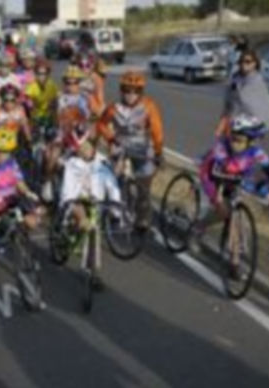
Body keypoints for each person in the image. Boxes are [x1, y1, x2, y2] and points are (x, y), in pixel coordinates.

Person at [194, 114, 269, 268]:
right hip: (212, 176)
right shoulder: (222, 146)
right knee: (223, 210)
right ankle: (198, 228)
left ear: (251, 142)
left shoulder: (256, 151)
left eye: (240, 140)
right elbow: (217, 172)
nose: (234, 142)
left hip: (234, 177)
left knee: (237, 208)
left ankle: (234, 253)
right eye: (233, 137)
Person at [96, 71, 164, 233]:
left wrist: (159, 152)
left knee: (143, 186)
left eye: (135, 91)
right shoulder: (114, 108)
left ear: (141, 93)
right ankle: (113, 210)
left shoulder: (149, 106)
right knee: (113, 177)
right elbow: (101, 125)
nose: (131, 95)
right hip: (121, 147)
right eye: (127, 90)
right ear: (121, 91)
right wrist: (111, 139)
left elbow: (157, 131)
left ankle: (142, 218)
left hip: (142, 149)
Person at [0, 130, 43, 278]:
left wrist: (28, 192)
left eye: (5, 152)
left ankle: (19, 239)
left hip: (11, 202)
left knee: (33, 221)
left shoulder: (12, 163)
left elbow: (19, 182)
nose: (1, 156)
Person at [59, 138, 121, 289]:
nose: (84, 150)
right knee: (83, 221)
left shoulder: (101, 165)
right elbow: (67, 188)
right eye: (82, 147)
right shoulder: (72, 163)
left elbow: (112, 187)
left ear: (94, 149)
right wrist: (69, 201)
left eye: (88, 147)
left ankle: (92, 271)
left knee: (94, 232)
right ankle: (70, 234)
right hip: (75, 201)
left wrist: (115, 211)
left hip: (94, 203)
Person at [218, 49, 269, 135]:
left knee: (244, 146)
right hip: (233, 120)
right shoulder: (235, 77)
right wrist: (224, 118)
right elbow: (229, 100)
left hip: (252, 124)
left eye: (248, 61)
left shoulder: (256, 79)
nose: (244, 64)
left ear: (255, 63)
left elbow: (247, 99)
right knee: (227, 144)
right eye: (241, 61)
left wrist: (235, 88)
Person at [24, 58, 59, 128]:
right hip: (36, 114)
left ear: (48, 74)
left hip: (49, 114)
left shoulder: (52, 85)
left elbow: (56, 100)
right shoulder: (31, 85)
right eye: (39, 74)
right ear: (36, 74)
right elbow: (28, 99)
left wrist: (53, 105)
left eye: (44, 74)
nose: (42, 76)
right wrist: (30, 104)